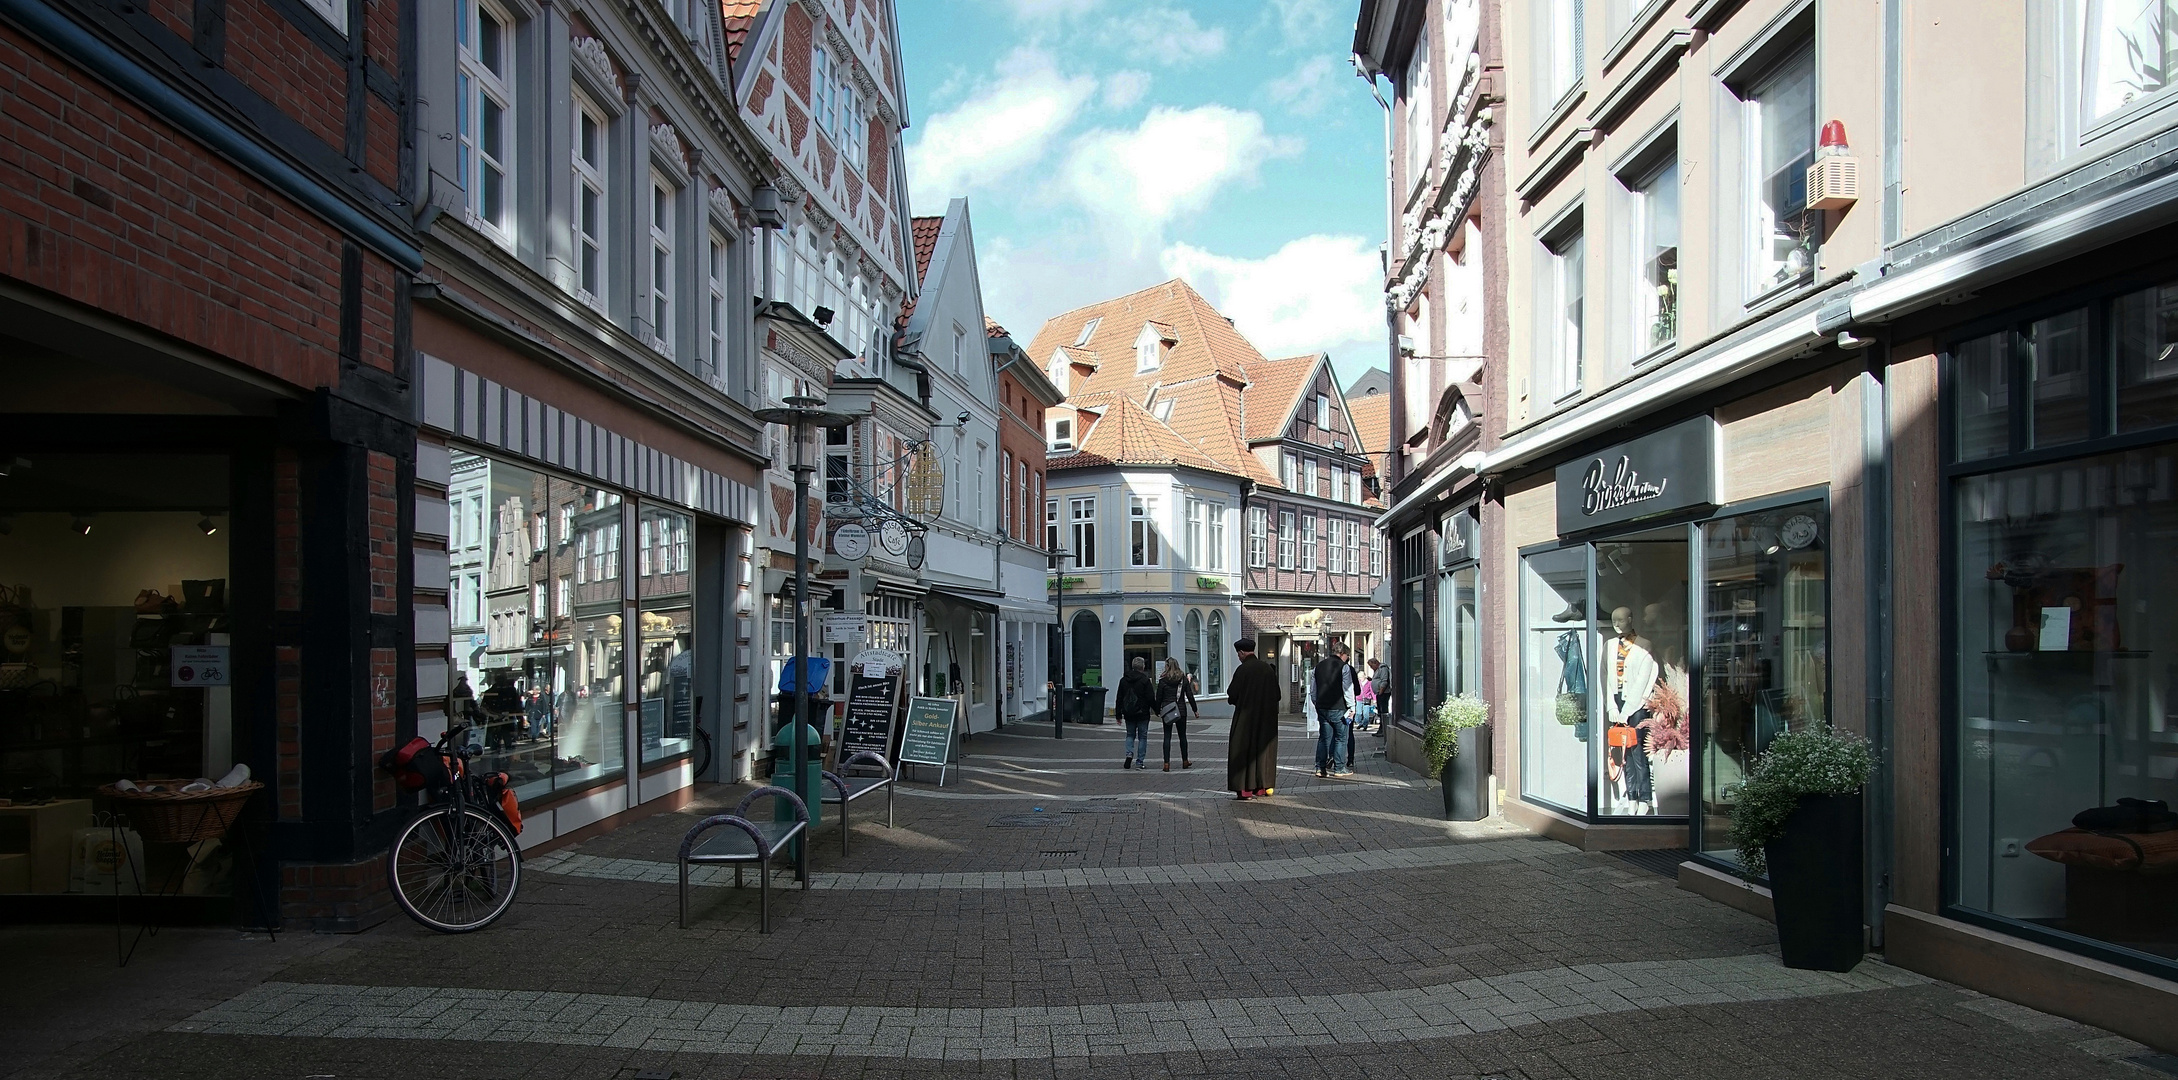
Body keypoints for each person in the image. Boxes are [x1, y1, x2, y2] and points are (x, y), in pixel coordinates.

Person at [1224, 637, 1280, 799]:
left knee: (1243, 751)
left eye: (1238, 654)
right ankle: (1262, 787)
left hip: (1246, 719)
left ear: (1241, 653)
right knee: (1263, 753)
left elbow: (1232, 694)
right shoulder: (1267, 669)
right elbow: (1277, 694)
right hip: (1266, 719)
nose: (1239, 657)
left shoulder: (1243, 670)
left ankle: (1244, 789)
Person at [1310, 642, 1360, 777]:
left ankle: (1320, 768)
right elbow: (1347, 689)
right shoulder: (1344, 667)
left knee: (1324, 738)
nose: (1347, 658)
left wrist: (1316, 703)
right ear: (1343, 654)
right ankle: (1339, 768)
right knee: (1341, 738)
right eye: (1347, 655)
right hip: (1339, 708)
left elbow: (1313, 689)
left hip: (1322, 707)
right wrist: (1352, 707)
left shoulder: (1318, 666)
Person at [1154, 657, 1197, 771]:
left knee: (1167, 737)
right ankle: (1185, 761)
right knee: (1182, 736)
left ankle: (1166, 763)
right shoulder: (1182, 679)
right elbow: (1189, 695)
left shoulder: (1163, 680)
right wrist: (1195, 709)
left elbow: (1158, 697)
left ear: (1167, 666)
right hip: (1181, 710)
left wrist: (1157, 710)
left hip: (1167, 710)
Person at [1115, 655, 1157, 770]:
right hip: (1142, 713)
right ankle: (1140, 761)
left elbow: (1119, 697)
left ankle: (1129, 753)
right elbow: (1150, 698)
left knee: (1130, 734)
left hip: (1129, 712)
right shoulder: (1145, 680)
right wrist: (1157, 710)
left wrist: (1118, 714)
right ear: (1142, 667)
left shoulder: (1124, 680)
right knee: (1142, 737)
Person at [1354, 656, 1377, 732]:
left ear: (1364, 676)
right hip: (1359, 699)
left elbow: (1372, 691)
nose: (1360, 678)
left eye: (1361, 677)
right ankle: (1360, 723)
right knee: (1358, 714)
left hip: (1367, 699)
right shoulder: (1358, 682)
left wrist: (1374, 699)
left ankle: (1365, 726)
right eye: (1359, 677)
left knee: (1366, 714)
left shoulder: (1369, 683)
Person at [1368, 657, 1391, 729]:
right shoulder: (1378, 670)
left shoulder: (1382, 668)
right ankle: (1381, 728)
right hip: (1379, 693)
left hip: (1383, 693)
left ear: (1376, 663)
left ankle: (1383, 728)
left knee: (1383, 711)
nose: (1371, 668)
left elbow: (1384, 681)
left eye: (1371, 666)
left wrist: (1381, 692)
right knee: (1380, 712)